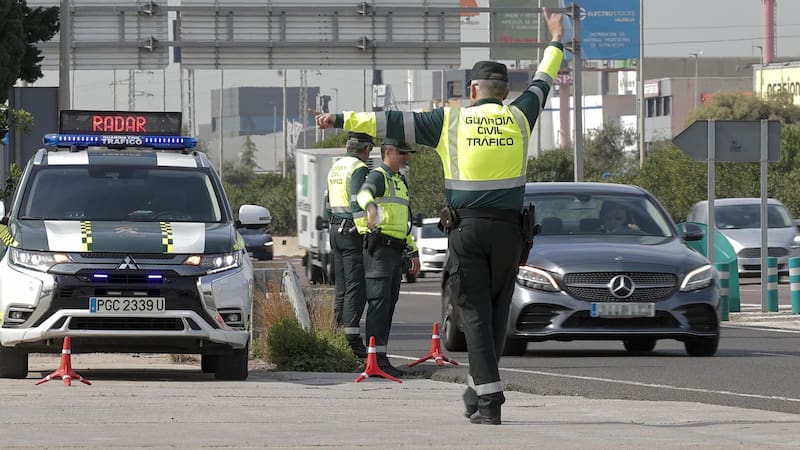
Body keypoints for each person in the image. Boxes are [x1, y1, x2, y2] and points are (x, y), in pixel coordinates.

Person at [315, 8, 564, 425]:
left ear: (472, 89)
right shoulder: (521, 116)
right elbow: (543, 80)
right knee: (498, 312)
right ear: (503, 92)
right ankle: (477, 387)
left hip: (468, 231)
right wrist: (556, 38)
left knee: (474, 313)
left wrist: (338, 119)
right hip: (511, 234)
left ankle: (490, 400)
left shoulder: (450, 121)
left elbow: (390, 120)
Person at [356, 138, 420, 378]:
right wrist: (371, 208)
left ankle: (381, 358)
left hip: (396, 250)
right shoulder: (379, 176)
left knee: (388, 305)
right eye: (402, 153)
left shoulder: (399, 181)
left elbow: (403, 222)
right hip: (380, 250)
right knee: (379, 305)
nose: (406, 157)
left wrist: (412, 251)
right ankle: (374, 361)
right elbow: (363, 193)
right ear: (388, 152)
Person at [326, 131, 374, 358]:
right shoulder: (359, 168)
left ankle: (336, 334)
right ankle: (352, 340)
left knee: (342, 285)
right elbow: (357, 202)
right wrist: (366, 231)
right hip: (351, 230)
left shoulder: (336, 167)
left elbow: (328, 204)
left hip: (335, 229)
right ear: (366, 150)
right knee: (357, 286)